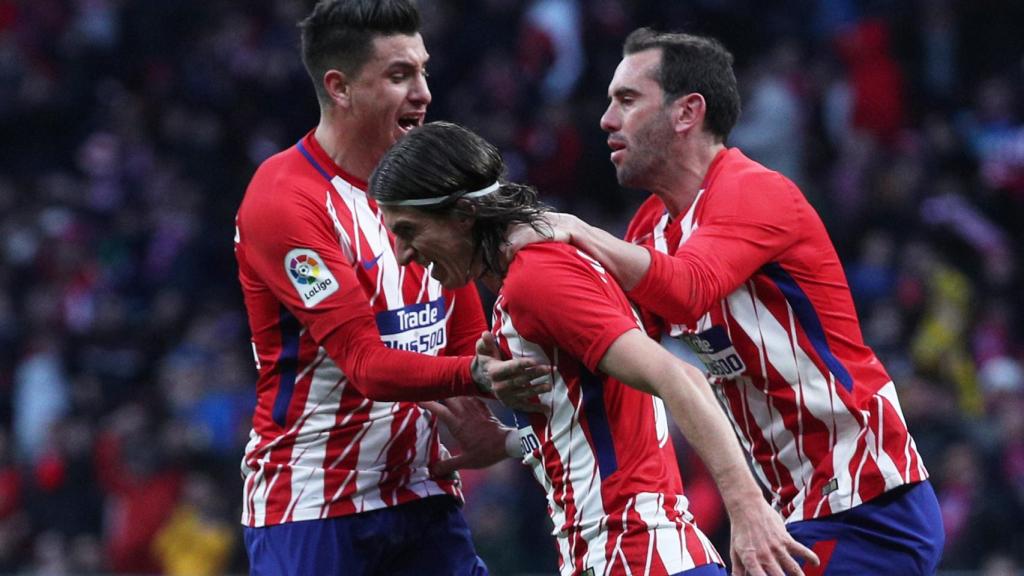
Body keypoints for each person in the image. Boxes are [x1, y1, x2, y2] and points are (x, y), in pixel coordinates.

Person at [508, 28, 945, 575]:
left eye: (627, 99)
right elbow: (613, 341)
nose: (606, 119)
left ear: (687, 112)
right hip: (791, 512)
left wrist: (579, 231)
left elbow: (688, 288)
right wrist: (496, 373)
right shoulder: (652, 227)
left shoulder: (754, 191)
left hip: (868, 502)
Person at [369, 121, 818, 576]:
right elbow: (601, 419)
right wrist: (507, 442)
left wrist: (747, 509)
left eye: (409, 230)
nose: (404, 253)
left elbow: (679, 377)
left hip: (636, 558)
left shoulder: (538, 279)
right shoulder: (528, 276)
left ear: (463, 214)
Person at [233, 2, 545, 574]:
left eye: (423, 71)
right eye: (400, 75)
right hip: (314, 505)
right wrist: (477, 376)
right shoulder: (286, 199)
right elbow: (366, 365)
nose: (424, 91)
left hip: (423, 492)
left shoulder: (428, 185)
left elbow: (466, 337)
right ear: (340, 87)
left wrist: (496, 417)